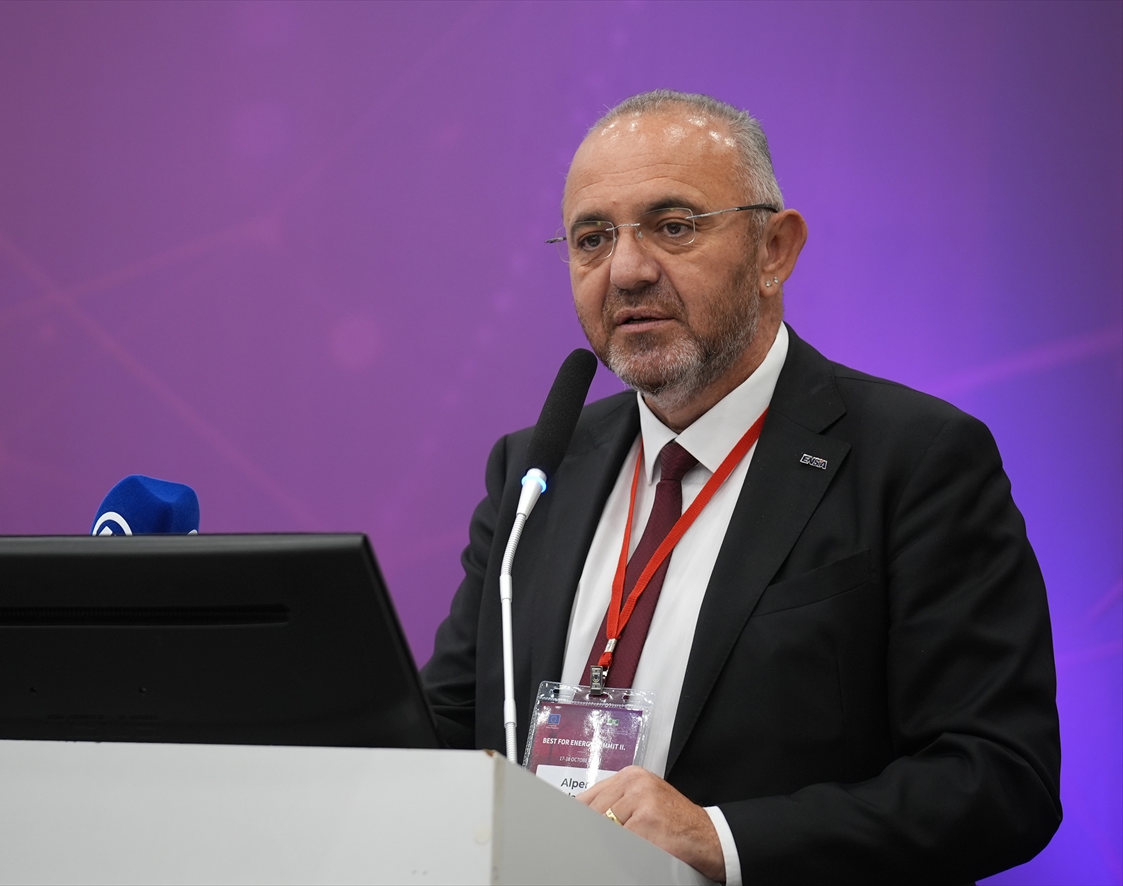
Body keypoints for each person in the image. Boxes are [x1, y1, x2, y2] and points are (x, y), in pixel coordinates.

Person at [420, 90, 1060, 884]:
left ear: (774, 251)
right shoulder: (536, 470)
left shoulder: (915, 459)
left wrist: (721, 839)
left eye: (673, 226)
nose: (627, 270)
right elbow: (446, 730)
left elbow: (997, 778)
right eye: (592, 239)